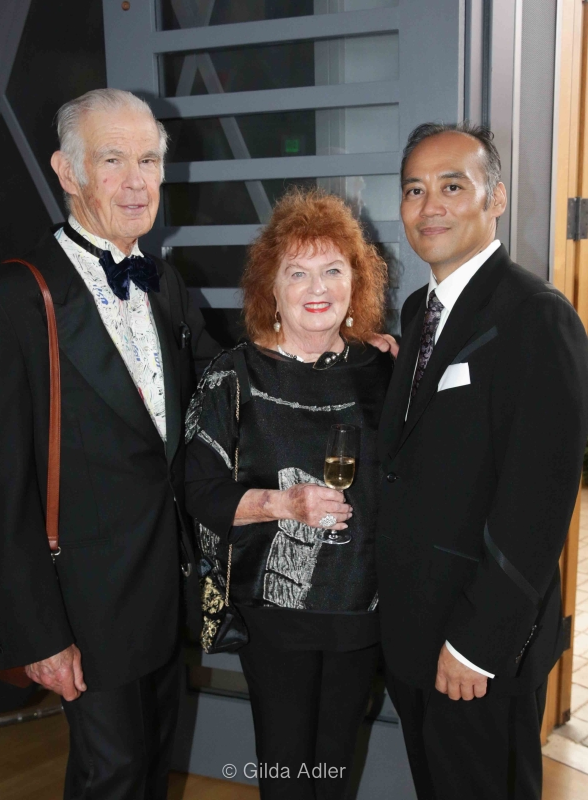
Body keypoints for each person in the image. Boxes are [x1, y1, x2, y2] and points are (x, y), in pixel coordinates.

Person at [0, 89, 220, 800]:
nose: (137, 181)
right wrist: (38, 634)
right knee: (110, 777)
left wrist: (333, 348)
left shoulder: (164, 283)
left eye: (148, 160)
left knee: (148, 772)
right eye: (113, 160)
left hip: (162, 588)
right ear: (67, 171)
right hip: (81, 605)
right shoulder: (14, 298)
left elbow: (222, 380)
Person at [376, 121, 588, 800]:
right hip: (413, 628)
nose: (429, 206)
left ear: (494, 199)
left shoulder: (537, 316)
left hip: (476, 644)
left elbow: (540, 499)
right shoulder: (419, 310)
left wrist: (478, 642)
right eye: (414, 189)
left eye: (451, 186)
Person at [185, 188, 393, 800]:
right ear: (270, 290)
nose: (317, 287)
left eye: (333, 269)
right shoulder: (235, 375)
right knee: (284, 770)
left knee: (334, 768)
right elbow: (197, 489)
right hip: (276, 615)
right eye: (297, 272)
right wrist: (283, 505)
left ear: (355, 282)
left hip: (362, 608)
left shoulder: (384, 372)